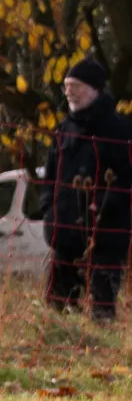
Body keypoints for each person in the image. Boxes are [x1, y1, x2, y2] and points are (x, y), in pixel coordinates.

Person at [43, 55, 132, 321]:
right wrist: (49, 210)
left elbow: (126, 179)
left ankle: (98, 355)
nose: (69, 92)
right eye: (66, 86)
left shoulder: (119, 129)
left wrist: (102, 205)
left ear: (95, 89)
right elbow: (48, 176)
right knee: (57, 308)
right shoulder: (63, 129)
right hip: (64, 232)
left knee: (101, 312)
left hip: (105, 233)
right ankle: (57, 347)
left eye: (76, 86)